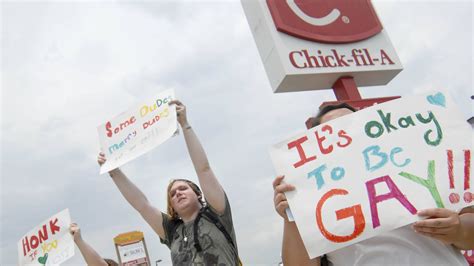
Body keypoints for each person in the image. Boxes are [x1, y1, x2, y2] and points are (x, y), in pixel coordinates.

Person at [272, 103, 474, 265]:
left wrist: (459, 230)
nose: (345, 134)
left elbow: (469, 232)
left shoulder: (421, 168)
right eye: (333, 131)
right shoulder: (315, 200)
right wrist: (292, 215)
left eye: (352, 123)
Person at [97, 100, 239, 265]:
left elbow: (204, 170)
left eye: (183, 188)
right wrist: (114, 171)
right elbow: (141, 205)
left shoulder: (217, 214)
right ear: (172, 205)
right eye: (172, 194)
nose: (178, 193)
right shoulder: (172, 232)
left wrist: (185, 125)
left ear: (198, 193)